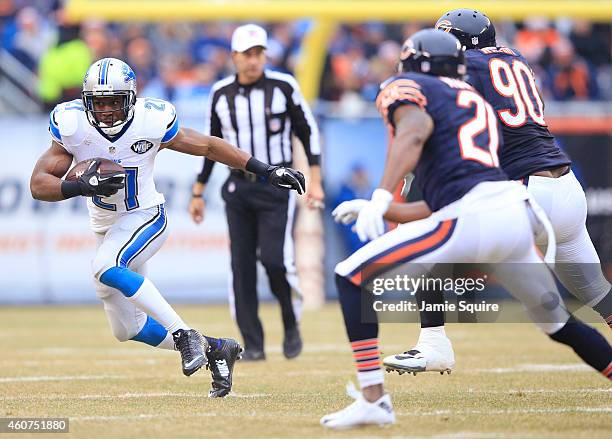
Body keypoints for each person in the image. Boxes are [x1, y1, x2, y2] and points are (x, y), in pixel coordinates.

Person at [321, 29, 612, 429]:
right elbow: (444, 200)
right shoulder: (476, 103)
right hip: (513, 213)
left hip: (478, 217)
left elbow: (414, 132)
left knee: (349, 275)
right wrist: (394, 209)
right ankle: (432, 344)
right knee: (561, 322)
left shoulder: (410, 89)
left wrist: (381, 196)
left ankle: (375, 396)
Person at [29, 58, 305, 398]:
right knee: (127, 328)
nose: (105, 110)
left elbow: (207, 145)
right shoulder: (72, 126)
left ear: (130, 98)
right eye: (98, 101)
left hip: (146, 215)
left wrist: (266, 170)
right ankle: (217, 348)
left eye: (113, 101)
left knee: (104, 267)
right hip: (107, 226)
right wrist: (79, 187)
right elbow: (38, 185)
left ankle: (183, 333)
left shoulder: (150, 120)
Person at [371, 8, 611, 375]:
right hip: (565, 186)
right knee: (596, 293)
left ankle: (433, 345)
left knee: (427, 250)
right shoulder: (515, 60)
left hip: (526, 192)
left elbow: (442, 120)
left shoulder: (467, 69)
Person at [188, 24, 324, 361]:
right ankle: (254, 343)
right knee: (241, 266)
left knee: (277, 261)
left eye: (259, 53)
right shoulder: (221, 93)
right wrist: (198, 189)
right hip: (237, 187)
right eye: (247, 54)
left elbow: (308, 131)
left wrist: (315, 179)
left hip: (274, 186)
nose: (254, 60)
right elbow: (210, 144)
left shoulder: (283, 86)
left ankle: (291, 324)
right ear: (234, 57)